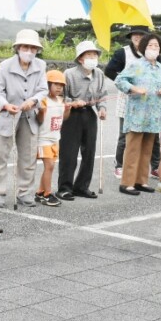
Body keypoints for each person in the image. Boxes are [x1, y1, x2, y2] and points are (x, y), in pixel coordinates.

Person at [0, 29, 47, 209]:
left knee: (28, 157)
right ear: (18, 48)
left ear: (37, 50)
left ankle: (24, 192)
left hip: (29, 116)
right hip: (7, 115)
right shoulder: (5, 66)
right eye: (25, 47)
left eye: (32, 48)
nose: (29, 51)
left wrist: (33, 100)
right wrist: (6, 105)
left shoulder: (41, 65)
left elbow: (43, 90)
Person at [105, 26, 161, 178]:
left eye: (141, 35)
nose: (137, 37)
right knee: (125, 135)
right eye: (135, 35)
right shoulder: (123, 53)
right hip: (128, 99)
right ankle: (120, 165)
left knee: (153, 137)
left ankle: (155, 166)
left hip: (151, 104)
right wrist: (131, 86)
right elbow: (110, 71)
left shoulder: (156, 56)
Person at [115, 34, 161, 196]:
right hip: (137, 114)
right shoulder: (136, 64)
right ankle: (127, 183)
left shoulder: (160, 67)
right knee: (133, 148)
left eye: (157, 46)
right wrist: (134, 88)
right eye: (151, 45)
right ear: (144, 47)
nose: (154, 48)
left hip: (154, 115)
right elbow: (119, 80)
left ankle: (141, 181)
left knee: (147, 150)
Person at [57, 41, 107, 201]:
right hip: (72, 115)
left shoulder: (99, 74)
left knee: (89, 152)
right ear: (80, 58)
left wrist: (102, 108)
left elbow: (102, 95)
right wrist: (72, 102)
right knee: (69, 153)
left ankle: (82, 186)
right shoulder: (69, 74)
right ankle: (64, 188)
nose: (93, 58)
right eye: (89, 55)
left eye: (95, 55)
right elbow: (61, 95)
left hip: (90, 113)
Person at [35, 70, 71, 207]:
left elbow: (64, 118)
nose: (59, 88)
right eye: (56, 84)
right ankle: (47, 194)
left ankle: (40, 192)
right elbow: (39, 120)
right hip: (43, 139)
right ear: (47, 84)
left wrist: (67, 110)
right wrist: (41, 111)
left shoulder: (61, 101)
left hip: (55, 138)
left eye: (61, 85)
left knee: (50, 167)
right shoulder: (43, 100)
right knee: (49, 166)